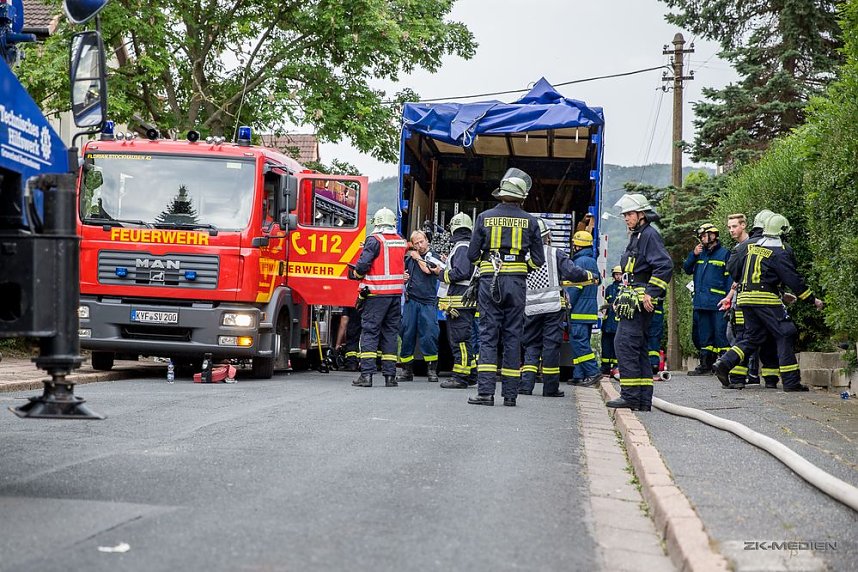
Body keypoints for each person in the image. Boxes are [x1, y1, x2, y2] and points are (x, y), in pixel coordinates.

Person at [713, 214, 824, 392]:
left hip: (744, 299)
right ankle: (791, 382)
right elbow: (793, 279)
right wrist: (812, 299)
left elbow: (754, 275)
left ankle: (724, 363)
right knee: (786, 332)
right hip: (765, 300)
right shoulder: (778, 251)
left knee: (752, 337)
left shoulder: (754, 248)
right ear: (781, 231)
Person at [466, 168, 544, 407]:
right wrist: (522, 267)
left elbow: (472, 255)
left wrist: (487, 265)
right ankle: (510, 395)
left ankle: (485, 393)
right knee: (513, 336)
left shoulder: (484, 217)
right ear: (521, 198)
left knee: (488, 335)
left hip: (490, 282)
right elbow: (538, 260)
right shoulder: (531, 221)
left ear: (501, 195)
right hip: (517, 284)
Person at [607, 194, 673, 412]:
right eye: (625, 215)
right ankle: (643, 399)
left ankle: (630, 396)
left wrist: (650, 293)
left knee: (625, 344)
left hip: (639, 302)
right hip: (632, 299)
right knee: (639, 347)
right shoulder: (638, 235)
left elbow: (664, 265)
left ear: (641, 214)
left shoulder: (649, 235)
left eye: (629, 214)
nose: (626, 218)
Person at [520, 219, 598, 397]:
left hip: (530, 309)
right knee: (551, 346)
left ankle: (525, 386)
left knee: (531, 345)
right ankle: (550, 388)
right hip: (552, 308)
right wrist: (590, 275)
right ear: (547, 236)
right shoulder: (555, 253)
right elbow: (573, 272)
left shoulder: (523, 255)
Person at [348, 207, 408, 387]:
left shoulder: (374, 240)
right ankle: (390, 376)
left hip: (376, 295)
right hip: (395, 295)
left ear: (377, 223)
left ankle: (366, 375)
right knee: (390, 334)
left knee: (370, 333)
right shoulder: (400, 241)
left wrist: (357, 274)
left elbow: (362, 265)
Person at [683, 223, 731, 375]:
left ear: (713, 236)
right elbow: (687, 269)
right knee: (704, 336)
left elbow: (729, 279)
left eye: (704, 236)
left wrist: (728, 298)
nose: (702, 239)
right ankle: (706, 365)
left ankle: (724, 365)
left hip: (718, 302)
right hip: (701, 303)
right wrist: (693, 254)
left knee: (721, 335)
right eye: (701, 236)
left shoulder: (725, 254)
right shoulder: (699, 254)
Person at [438, 212, 477, 389]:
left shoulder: (461, 247)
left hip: (459, 303)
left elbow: (461, 272)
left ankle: (460, 377)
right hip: (463, 302)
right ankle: (471, 374)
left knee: (459, 341)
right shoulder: (468, 246)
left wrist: (441, 274)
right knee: (465, 340)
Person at [397, 230, 443, 382]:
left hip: (428, 302)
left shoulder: (433, 256)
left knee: (429, 335)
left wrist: (417, 258)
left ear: (427, 240)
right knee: (406, 333)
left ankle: (432, 370)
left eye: (421, 241)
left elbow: (428, 270)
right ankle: (406, 370)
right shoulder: (409, 259)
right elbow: (403, 274)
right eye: (416, 243)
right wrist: (403, 277)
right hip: (411, 301)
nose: (419, 245)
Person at [567, 230, 602, 386]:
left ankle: (593, 371)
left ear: (577, 246)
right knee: (582, 343)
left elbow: (575, 288)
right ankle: (579, 374)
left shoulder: (579, 262)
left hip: (579, 311)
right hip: (589, 311)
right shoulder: (591, 261)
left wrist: (567, 304)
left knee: (579, 343)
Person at [600, 265, 622, 379]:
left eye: (620, 274)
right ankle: (605, 367)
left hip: (618, 324)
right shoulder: (609, 288)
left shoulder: (624, 288)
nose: (618, 277)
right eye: (616, 274)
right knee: (606, 346)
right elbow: (606, 303)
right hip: (607, 324)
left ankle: (616, 367)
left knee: (616, 347)